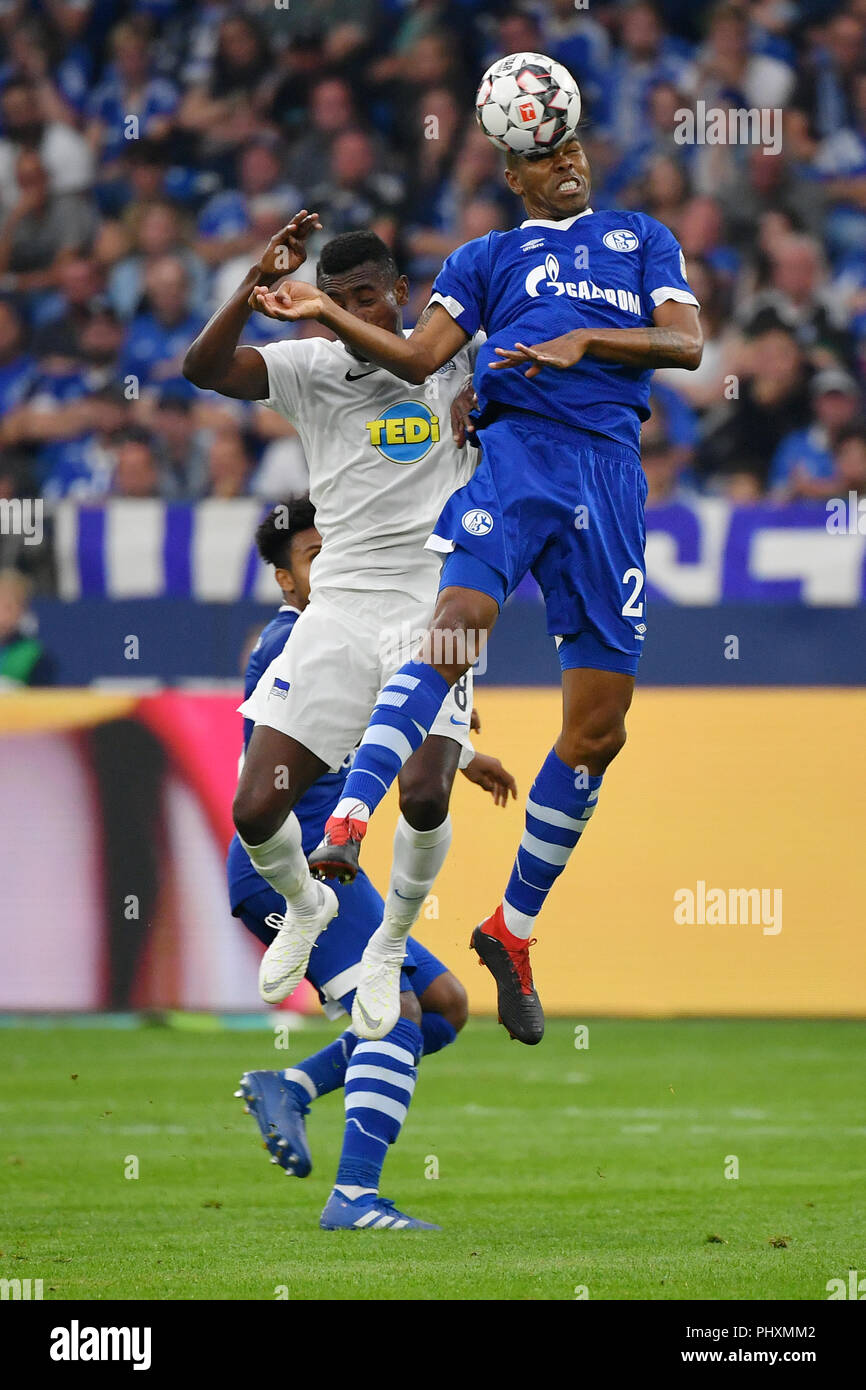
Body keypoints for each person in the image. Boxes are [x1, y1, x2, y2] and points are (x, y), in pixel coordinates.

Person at [253, 97, 703, 1048]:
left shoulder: (641, 238)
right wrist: (322, 307)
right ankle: (347, 826)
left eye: (574, 144)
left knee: (599, 729)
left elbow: (688, 346)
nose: (566, 162)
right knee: (455, 625)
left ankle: (513, 930)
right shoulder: (484, 260)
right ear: (513, 174)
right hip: (520, 458)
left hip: (612, 482)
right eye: (544, 155)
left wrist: (589, 342)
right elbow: (420, 358)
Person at [183, 213, 515, 1050]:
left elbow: (518, 399)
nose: (357, 312)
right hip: (339, 609)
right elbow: (203, 368)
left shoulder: (450, 362)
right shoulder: (310, 368)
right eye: (339, 300)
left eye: (370, 296)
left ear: (401, 293)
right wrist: (253, 277)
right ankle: (305, 906)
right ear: (320, 303)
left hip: (435, 603)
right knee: (258, 807)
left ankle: (392, 942)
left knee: (427, 791)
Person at [229, 497, 515, 1231]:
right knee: (399, 1011)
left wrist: (458, 747)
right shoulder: (293, 643)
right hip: (283, 868)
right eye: (313, 557)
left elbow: (369, 723)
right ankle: (354, 1196)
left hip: (334, 868)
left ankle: (290, 1084)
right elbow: (322, 730)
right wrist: (427, 703)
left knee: (445, 1005)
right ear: (287, 581)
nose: (335, 564)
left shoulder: (350, 639)